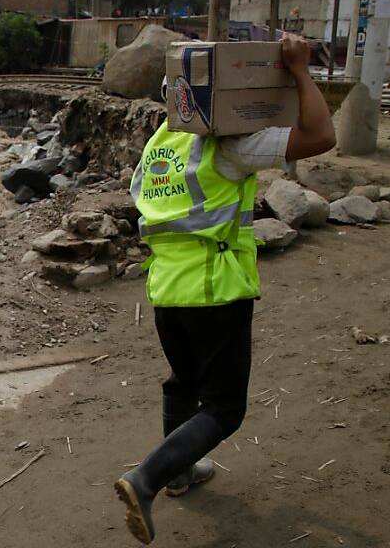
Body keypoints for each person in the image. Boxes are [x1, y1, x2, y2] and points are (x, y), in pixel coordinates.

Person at [114, 33, 336, 545]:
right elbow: (322, 135)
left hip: (167, 289)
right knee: (225, 409)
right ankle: (146, 479)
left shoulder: (161, 142)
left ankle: (180, 472)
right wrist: (300, 70)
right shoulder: (232, 146)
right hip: (215, 290)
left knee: (182, 385)